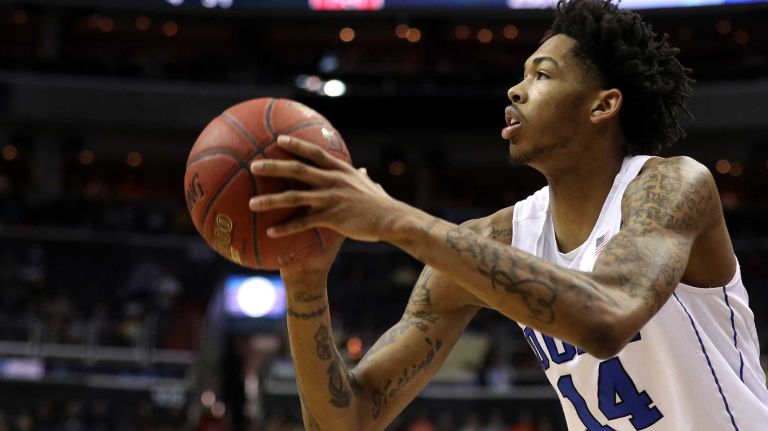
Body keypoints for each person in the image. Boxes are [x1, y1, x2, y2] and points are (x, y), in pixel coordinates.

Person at [247, 1, 768, 429]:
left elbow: (606, 318)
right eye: (521, 75)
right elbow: (347, 420)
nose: (515, 90)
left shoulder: (671, 184)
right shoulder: (496, 238)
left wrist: (393, 218)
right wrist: (306, 283)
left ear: (602, 105)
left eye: (542, 75)